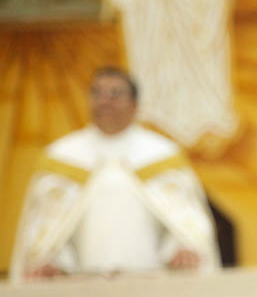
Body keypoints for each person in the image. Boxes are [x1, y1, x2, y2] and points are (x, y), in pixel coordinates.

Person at [10, 67, 219, 280]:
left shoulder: (161, 154)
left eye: (115, 93)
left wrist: (179, 249)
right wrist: (54, 260)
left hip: (153, 283)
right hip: (79, 286)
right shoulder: (62, 157)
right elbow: (47, 231)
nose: (105, 100)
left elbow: (185, 225)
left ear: (135, 104)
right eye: (97, 93)